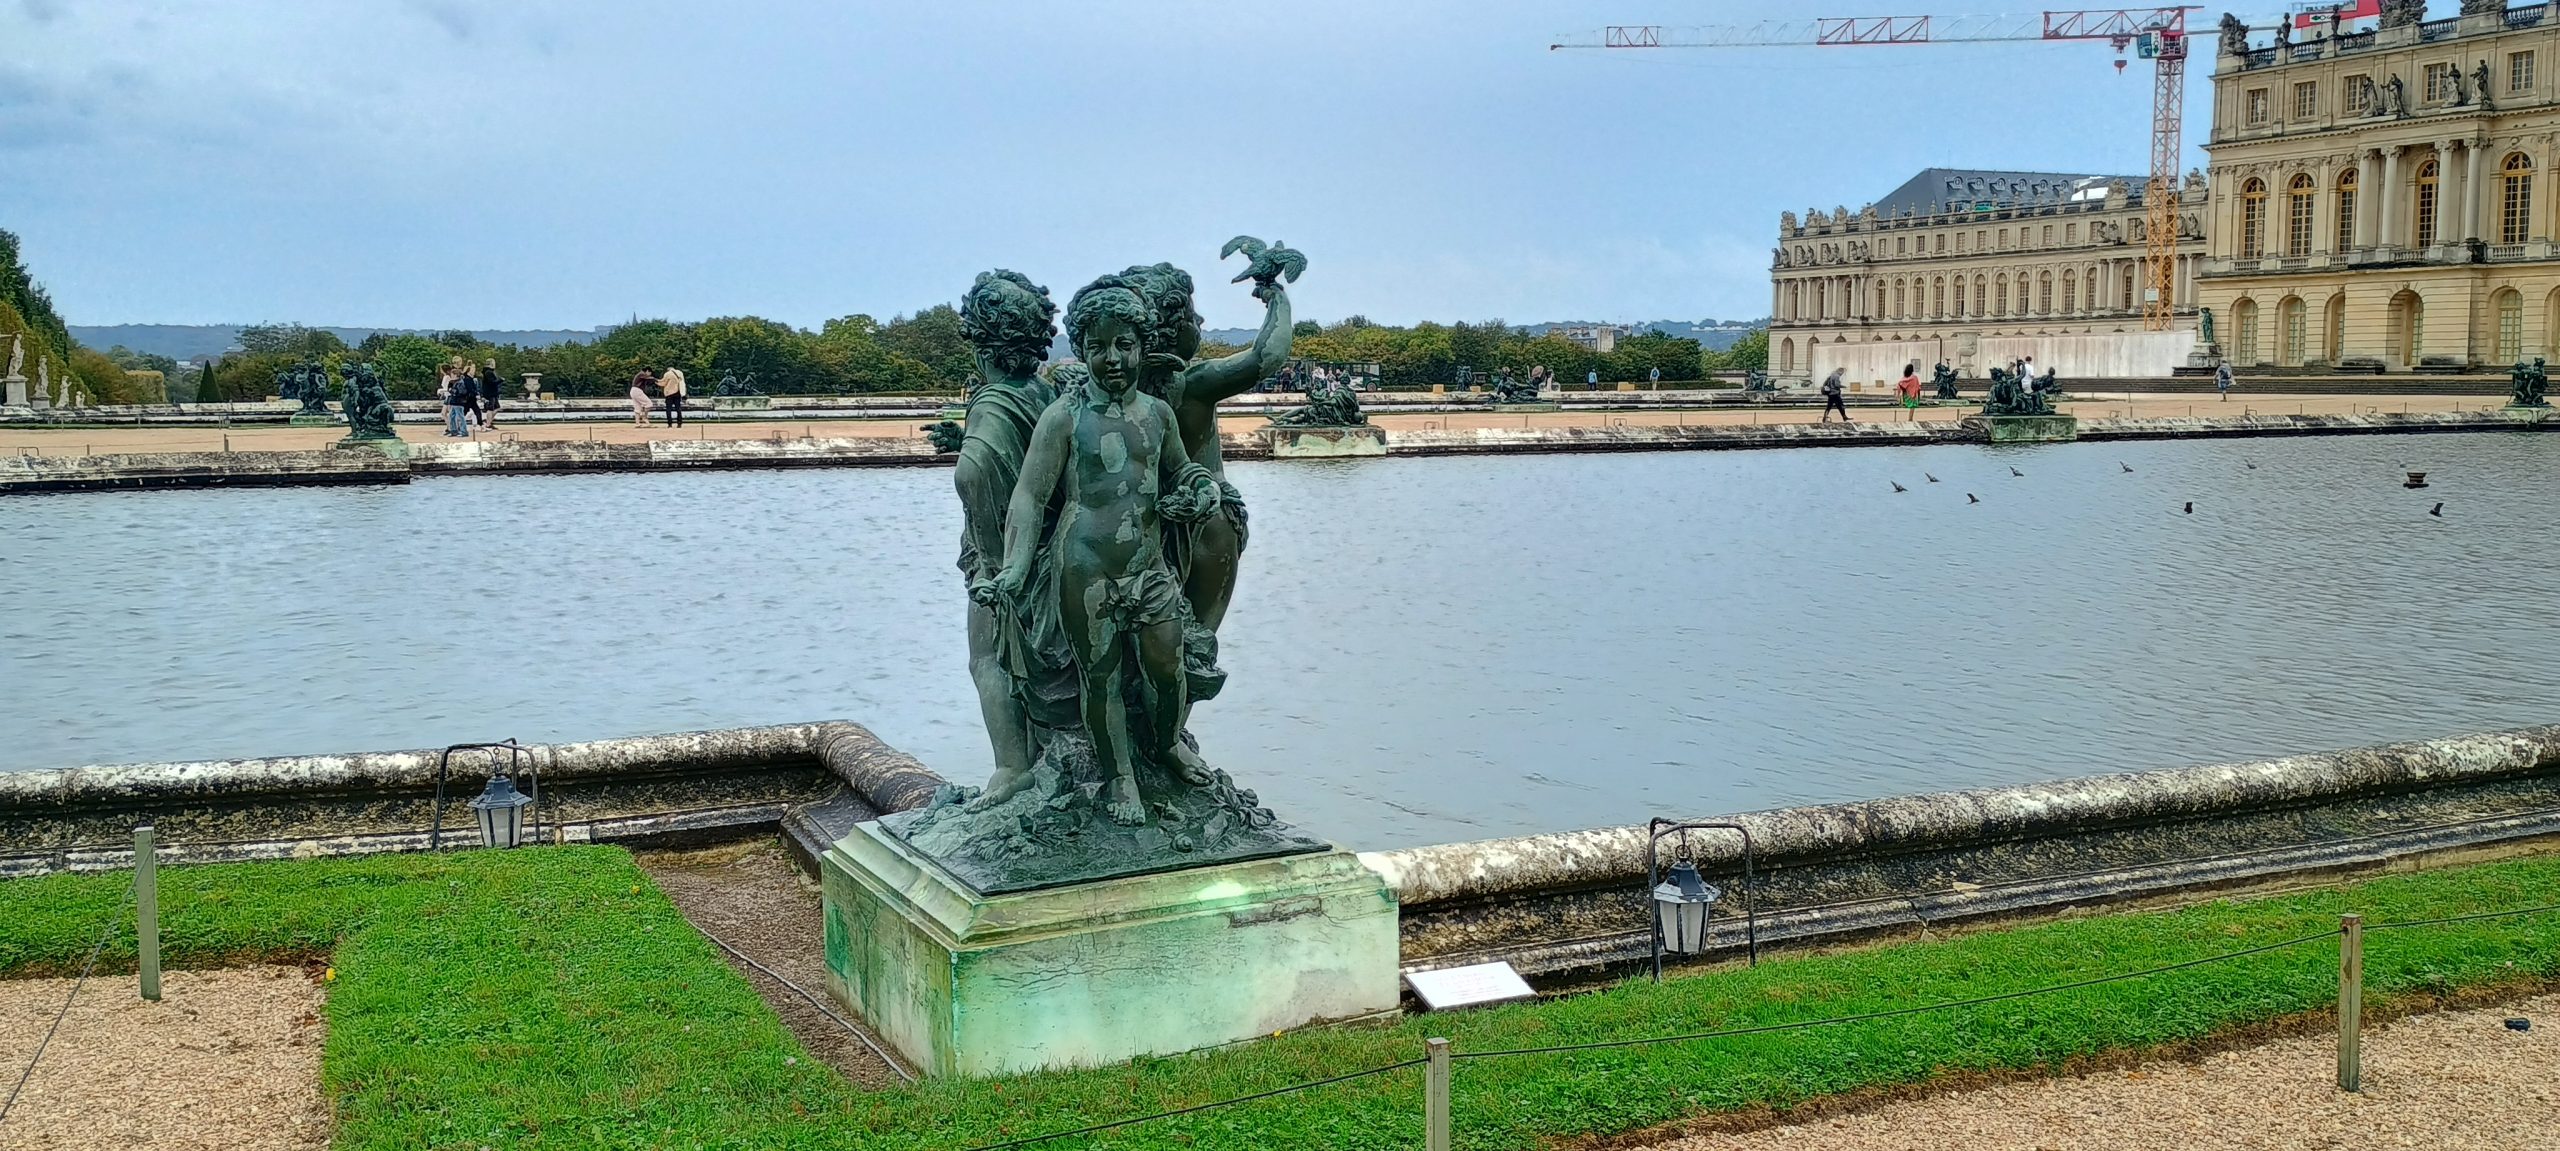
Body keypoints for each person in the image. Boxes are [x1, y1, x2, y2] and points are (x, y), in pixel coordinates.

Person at [979, 280, 1221, 826]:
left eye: (1124, 345)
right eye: (1097, 346)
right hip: (1084, 570)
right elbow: (1029, 496)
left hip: (1148, 569)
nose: (1112, 358)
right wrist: (1015, 568)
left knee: (1167, 669)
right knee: (1101, 677)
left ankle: (1167, 745)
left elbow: (1180, 468)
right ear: (1082, 349)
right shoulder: (1064, 416)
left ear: (1142, 347)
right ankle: (1120, 778)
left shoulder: (1157, 414)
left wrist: (1200, 486)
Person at [439, 363, 471, 437]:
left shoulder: (460, 383)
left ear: (456, 375)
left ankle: (464, 431)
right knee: (451, 416)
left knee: (460, 416)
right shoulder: (453, 382)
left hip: (459, 402)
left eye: (453, 375)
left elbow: (461, 392)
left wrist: (452, 390)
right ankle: (454, 431)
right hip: (454, 401)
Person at [476, 359, 503, 429]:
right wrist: (500, 380)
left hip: (493, 393)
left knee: (497, 408)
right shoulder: (488, 372)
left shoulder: (488, 372)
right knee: (490, 408)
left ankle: (489, 421)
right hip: (490, 393)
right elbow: (492, 382)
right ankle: (488, 423)